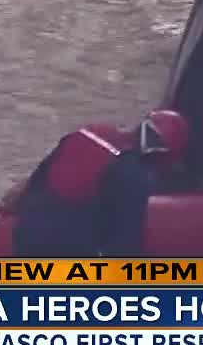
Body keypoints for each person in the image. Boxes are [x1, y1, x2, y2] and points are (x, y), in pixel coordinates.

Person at [13, 110, 190, 258]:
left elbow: (38, 179)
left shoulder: (91, 131)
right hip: (66, 251)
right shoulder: (137, 175)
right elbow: (124, 244)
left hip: (26, 232)